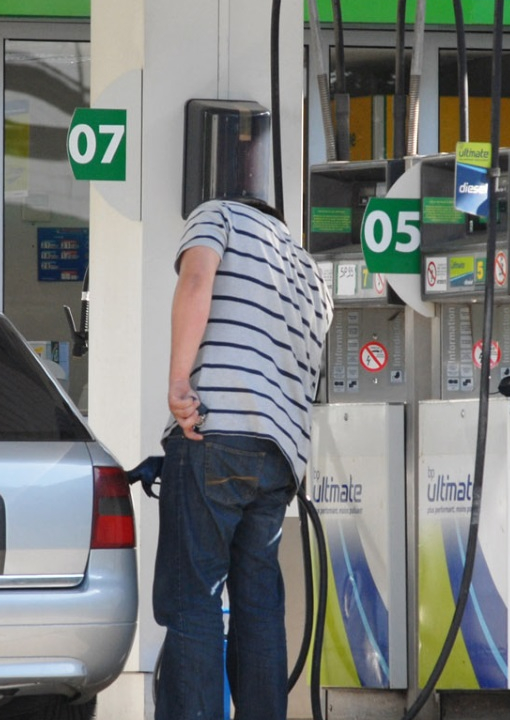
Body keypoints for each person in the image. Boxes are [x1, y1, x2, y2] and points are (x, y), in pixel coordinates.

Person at [154, 195, 332, 720]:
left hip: (214, 434)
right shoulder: (309, 271)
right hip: (280, 456)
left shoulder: (220, 215)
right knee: (258, 606)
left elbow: (195, 281)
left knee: (194, 598)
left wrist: (179, 383)